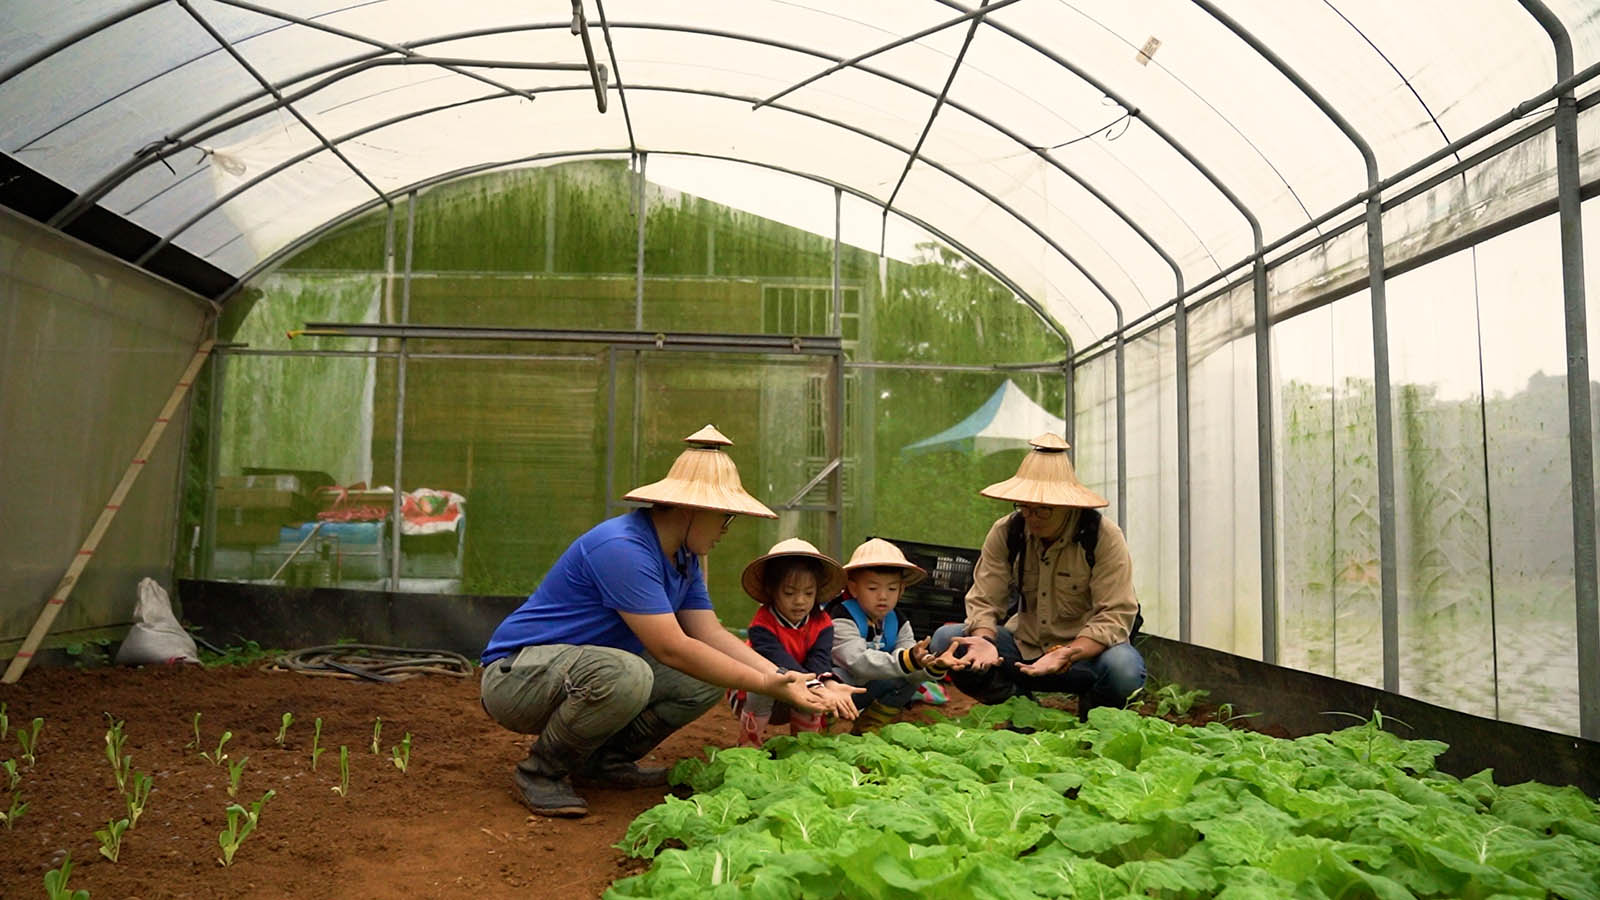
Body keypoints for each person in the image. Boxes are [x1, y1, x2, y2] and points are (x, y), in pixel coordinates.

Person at [478, 426, 842, 818]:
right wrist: (766, 684)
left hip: (582, 669)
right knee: (628, 673)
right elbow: (673, 647)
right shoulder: (623, 549)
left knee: (703, 679)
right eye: (724, 518)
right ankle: (542, 772)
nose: (724, 530)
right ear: (692, 510)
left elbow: (708, 632)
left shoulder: (682, 560)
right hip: (516, 677)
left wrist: (787, 676)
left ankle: (603, 763)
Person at [929, 433, 1145, 715]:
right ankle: (1020, 708)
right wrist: (983, 640)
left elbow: (1116, 615)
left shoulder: (1102, 536)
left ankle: (1097, 717)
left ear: (1068, 506)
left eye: (1044, 510)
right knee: (949, 639)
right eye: (1025, 506)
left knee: (1124, 669)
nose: (1032, 517)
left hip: (1084, 653)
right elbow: (984, 599)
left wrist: (1066, 653)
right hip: (1023, 645)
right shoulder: (1008, 531)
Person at [728, 538, 860, 746]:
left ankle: (804, 748)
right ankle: (748, 747)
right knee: (763, 683)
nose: (800, 601)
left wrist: (827, 685)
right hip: (756, 696)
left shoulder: (823, 623)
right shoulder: (761, 625)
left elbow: (820, 660)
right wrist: (815, 686)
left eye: (808, 593)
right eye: (789, 593)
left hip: (800, 690)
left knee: (819, 690)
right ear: (772, 590)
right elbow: (779, 661)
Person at [827, 539, 957, 734]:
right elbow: (857, 662)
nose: (883, 596)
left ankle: (867, 729)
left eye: (892, 589)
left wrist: (932, 667)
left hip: (867, 688)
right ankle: (824, 731)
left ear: (901, 590)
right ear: (853, 588)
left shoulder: (899, 622)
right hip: (838, 689)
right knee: (829, 683)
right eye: (872, 589)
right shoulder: (841, 616)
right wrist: (909, 660)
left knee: (907, 681)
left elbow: (909, 664)